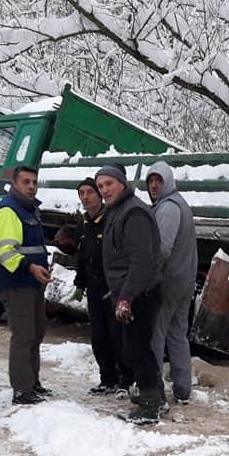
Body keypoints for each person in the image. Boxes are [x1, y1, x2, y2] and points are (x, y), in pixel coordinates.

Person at [95, 164, 164, 424]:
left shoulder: (134, 213)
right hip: (128, 291)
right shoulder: (117, 211)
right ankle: (155, 395)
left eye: (108, 184)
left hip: (140, 294)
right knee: (136, 347)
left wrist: (126, 297)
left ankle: (149, 407)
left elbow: (141, 260)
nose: (104, 190)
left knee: (136, 350)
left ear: (122, 183)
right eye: (100, 186)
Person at [0, 165, 52, 405]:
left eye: (34, 182)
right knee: (24, 336)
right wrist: (30, 267)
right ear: (14, 183)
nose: (31, 186)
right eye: (25, 182)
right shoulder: (8, 210)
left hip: (32, 283)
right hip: (17, 284)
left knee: (36, 334)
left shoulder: (28, 209)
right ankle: (22, 390)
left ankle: (32, 383)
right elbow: (5, 252)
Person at [71, 177, 133, 395]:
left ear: (100, 195)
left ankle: (126, 380)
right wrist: (80, 283)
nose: (86, 197)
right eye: (81, 193)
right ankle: (107, 378)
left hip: (112, 288)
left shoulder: (111, 220)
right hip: (93, 287)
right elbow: (83, 255)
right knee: (98, 336)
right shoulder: (84, 223)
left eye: (90, 192)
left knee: (118, 336)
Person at [145, 161, 198, 406]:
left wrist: (148, 275)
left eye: (159, 181)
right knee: (177, 334)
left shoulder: (168, 207)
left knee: (156, 333)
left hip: (169, 281)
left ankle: (153, 387)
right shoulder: (182, 204)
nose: (154, 186)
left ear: (168, 181)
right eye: (151, 181)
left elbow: (162, 248)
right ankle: (182, 390)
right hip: (185, 279)